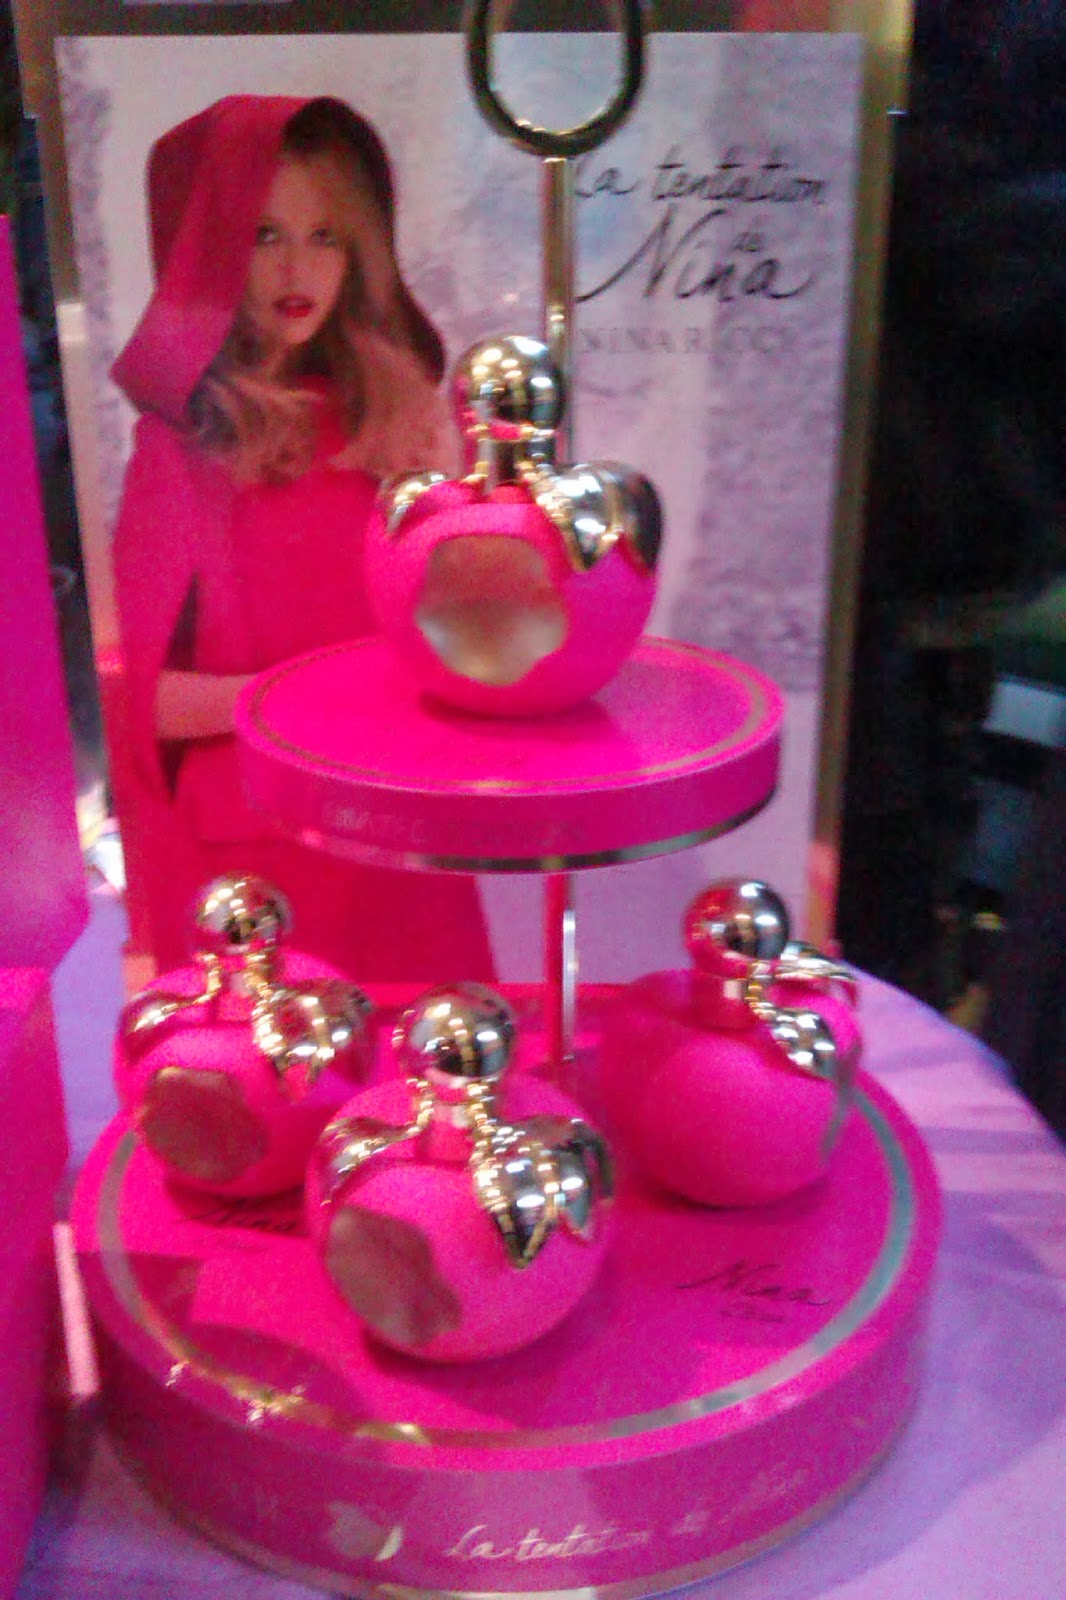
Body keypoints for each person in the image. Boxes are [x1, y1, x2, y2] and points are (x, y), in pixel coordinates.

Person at [111, 94, 496, 980]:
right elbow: (144, 704)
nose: (299, 268)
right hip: (261, 854)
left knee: (436, 1047)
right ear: (209, 252)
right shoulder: (179, 450)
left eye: (327, 236)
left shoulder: (396, 420)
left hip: (401, 825)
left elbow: (462, 642)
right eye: (263, 236)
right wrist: (308, 698)